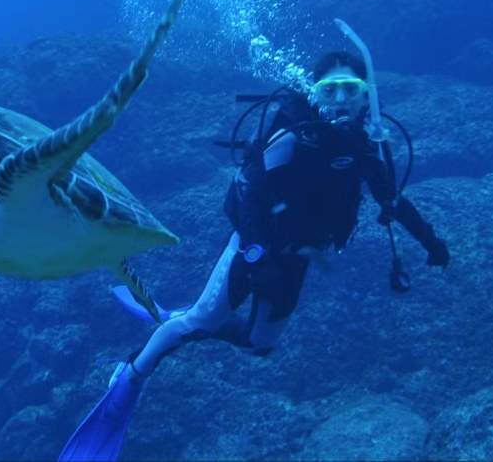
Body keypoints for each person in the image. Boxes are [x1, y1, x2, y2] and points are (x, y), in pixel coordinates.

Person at [58, 49, 450, 462]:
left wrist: (431, 242)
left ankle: (185, 318)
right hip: (256, 241)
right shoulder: (294, 131)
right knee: (201, 321)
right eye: (328, 88)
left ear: (365, 93)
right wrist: (258, 258)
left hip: (300, 253)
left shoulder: (367, 145)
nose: (338, 98)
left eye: (349, 89)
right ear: (313, 91)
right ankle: (131, 375)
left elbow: (392, 199)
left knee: (260, 344)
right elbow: (251, 195)